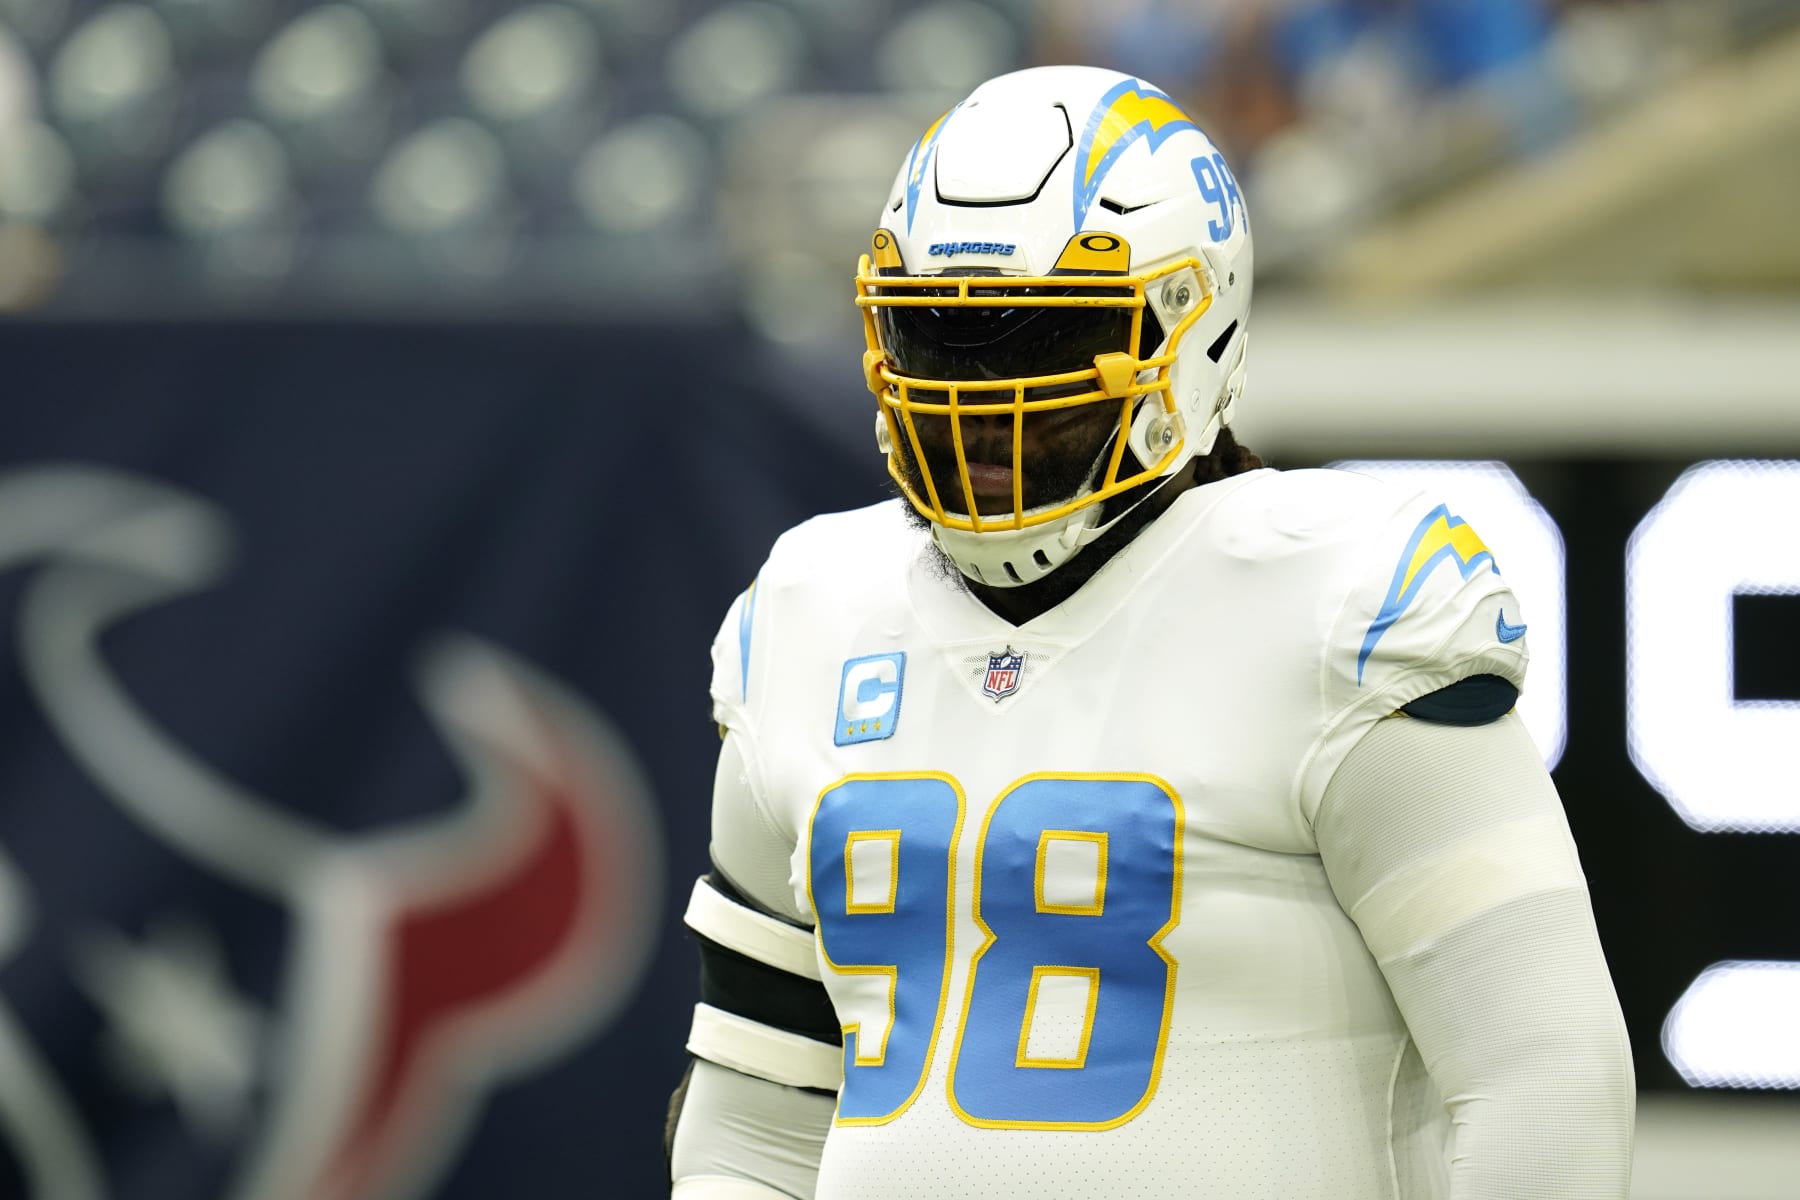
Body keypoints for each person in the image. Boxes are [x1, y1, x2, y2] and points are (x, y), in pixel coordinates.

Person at [665, 64, 1634, 1199]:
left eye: (1045, 343)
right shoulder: (810, 607)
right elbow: (756, 1123)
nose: (978, 396)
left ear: (1189, 332)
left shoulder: (1336, 600)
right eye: (938, 335)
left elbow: (1545, 1078)